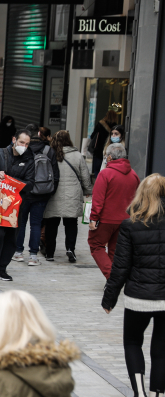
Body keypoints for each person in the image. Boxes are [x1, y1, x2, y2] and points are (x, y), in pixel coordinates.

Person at [103, 175, 165, 397]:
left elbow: (121, 266)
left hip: (139, 296)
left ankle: (139, 396)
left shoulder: (130, 225)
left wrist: (110, 297)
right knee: (161, 354)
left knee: (132, 342)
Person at [0, 129, 35, 282]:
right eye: (21, 142)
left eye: (27, 143)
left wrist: (13, 182)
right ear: (14, 140)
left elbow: (30, 184)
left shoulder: (30, 159)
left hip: (15, 207)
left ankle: (2, 268)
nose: (23, 146)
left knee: (11, 238)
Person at [89, 142, 140, 278]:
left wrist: (94, 218)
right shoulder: (134, 175)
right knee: (114, 249)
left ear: (110, 157)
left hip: (106, 219)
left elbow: (98, 199)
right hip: (125, 219)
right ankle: (115, 278)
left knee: (96, 245)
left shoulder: (105, 174)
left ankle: (112, 276)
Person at [44, 130, 92, 262]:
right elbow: (85, 176)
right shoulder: (77, 155)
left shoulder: (50, 153)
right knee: (71, 223)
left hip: (53, 193)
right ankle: (70, 248)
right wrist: (88, 190)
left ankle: (50, 253)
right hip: (73, 193)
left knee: (52, 224)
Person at [14, 128, 59, 266]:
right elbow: (56, 175)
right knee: (36, 224)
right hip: (42, 194)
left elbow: (16, 171)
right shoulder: (48, 150)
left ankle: (18, 253)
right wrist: (49, 192)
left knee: (21, 223)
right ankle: (33, 256)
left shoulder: (23, 150)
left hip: (24, 193)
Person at [91, 110, 120, 176]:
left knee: (97, 170)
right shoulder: (116, 127)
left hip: (98, 151)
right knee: (107, 171)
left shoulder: (100, 124)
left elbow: (93, 136)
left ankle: (98, 183)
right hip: (110, 152)